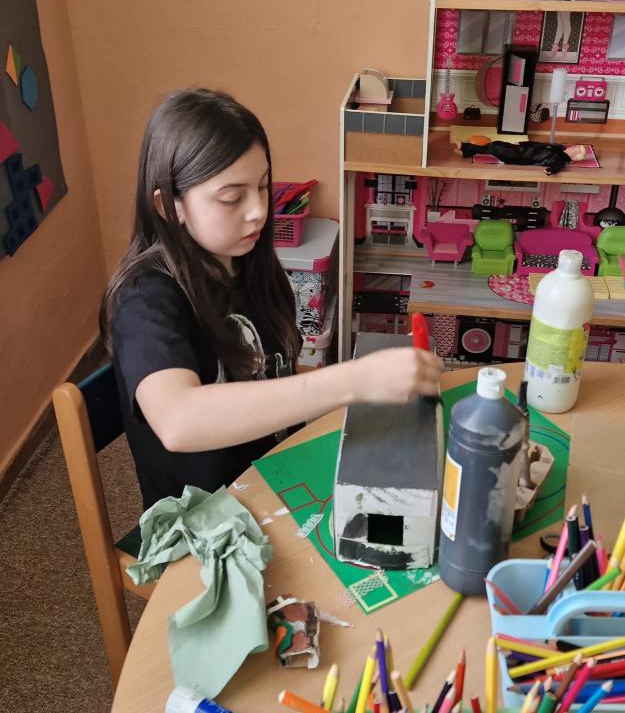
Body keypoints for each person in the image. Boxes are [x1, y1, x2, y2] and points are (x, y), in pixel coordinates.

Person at [100, 88, 442, 511]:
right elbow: (177, 420)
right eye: (232, 197)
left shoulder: (248, 266)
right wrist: (353, 380)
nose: (258, 211)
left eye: (263, 187)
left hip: (277, 482)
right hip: (204, 523)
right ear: (170, 206)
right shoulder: (144, 298)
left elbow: (275, 376)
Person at [460, 139, 587, 176]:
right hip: (521, 149)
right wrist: (523, 143)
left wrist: (550, 171)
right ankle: (466, 150)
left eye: (575, 150)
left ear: (575, 157)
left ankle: (465, 147)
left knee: (496, 147)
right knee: (497, 145)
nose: (572, 148)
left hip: (520, 156)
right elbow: (539, 144)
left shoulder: (560, 158)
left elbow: (557, 166)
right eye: (575, 147)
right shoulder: (559, 148)